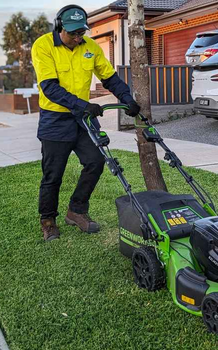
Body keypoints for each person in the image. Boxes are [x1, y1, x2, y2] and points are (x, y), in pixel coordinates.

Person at [31, 4, 140, 242]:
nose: (78, 37)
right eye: (73, 33)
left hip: (82, 119)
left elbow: (109, 77)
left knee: (96, 161)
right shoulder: (43, 46)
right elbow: (49, 88)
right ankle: (48, 220)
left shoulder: (89, 47)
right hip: (55, 119)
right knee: (53, 174)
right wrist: (83, 105)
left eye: (81, 32)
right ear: (59, 27)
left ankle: (76, 210)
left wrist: (127, 98)